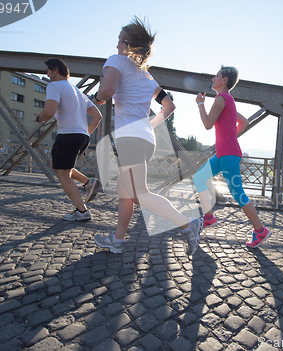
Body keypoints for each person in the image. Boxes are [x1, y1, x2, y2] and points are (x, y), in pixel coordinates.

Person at [92, 17, 202, 255]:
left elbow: (108, 90)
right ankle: (118, 240)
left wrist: (98, 97)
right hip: (144, 138)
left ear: (127, 44)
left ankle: (188, 223)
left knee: (139, 193)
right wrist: (149, 125)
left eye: (120, 41)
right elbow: (169, 106)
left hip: (129, 137)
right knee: (125, 191)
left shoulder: (116, 61)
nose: (117, 45)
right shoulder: (147, 76)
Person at [193, 66, 271, 248]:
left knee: (237, 193)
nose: (213, 78)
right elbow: (245, 122)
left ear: (224, 80)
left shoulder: (221, 99)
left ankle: (261, 231)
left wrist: (199, 104)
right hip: (223, 153)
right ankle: (209, 217)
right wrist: (230, 136)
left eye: (216, 76)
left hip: (228, 154)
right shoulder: (228, 100)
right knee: (199, 178)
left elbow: (207, 124)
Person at [37, 58, 103, 221]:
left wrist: (39, 117)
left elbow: (49, 111)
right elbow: (97, 116)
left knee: (63, 174)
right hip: (81, 136)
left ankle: (82, 211)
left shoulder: (54, 86)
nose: (47, 74)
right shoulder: (78, 92)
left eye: (48, 70)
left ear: (55, 70)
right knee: (56, 165)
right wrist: (85, 134)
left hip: (67, 135)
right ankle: (88, 182)